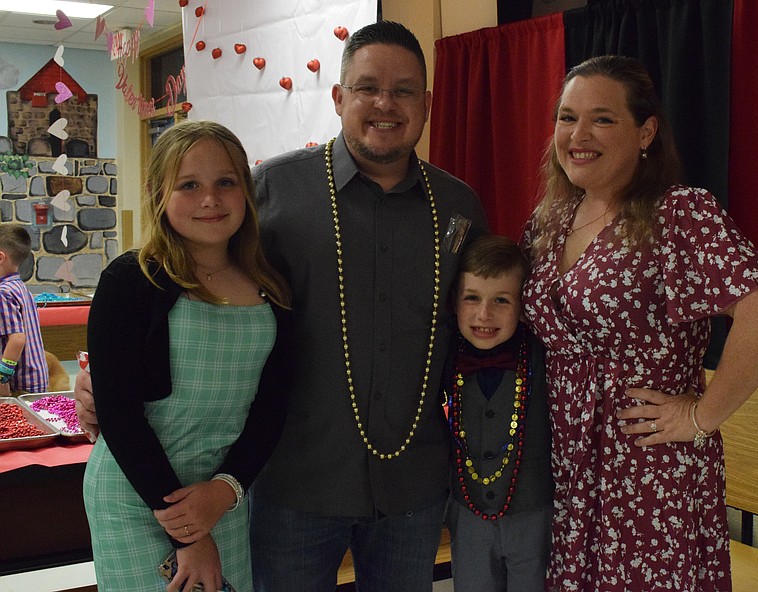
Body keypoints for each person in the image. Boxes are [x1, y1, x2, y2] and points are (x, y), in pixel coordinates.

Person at [75, 21, 488, 592]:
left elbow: (485, 329)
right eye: (367, 87)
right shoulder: (272, 190)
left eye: (404, 90)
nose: (384, 104)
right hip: (292, 486)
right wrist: (104, 383)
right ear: (340, 97)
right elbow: (178, 275)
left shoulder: (460, 207)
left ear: (427, 103)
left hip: (412, 484)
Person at [521, 55, 758, 591]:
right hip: (568, 467)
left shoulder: (678, 214)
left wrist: (700, 416)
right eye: (566, 116)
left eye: (602, 118)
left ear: (646, 132)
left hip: (648, 471)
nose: (579, 134)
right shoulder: (550, 220)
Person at [82, 120, 293, 592]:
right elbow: (120, 416)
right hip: (139, 493)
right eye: (189, 185)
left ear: (246, 190)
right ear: (160, 194)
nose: (210, 200)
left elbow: (271, 408)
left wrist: (224, 492)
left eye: (225, 182)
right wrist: (187, 533)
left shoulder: (272, 288)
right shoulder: (131, 280)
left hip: (221, 496)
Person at [443, 234, 553, 592]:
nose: (484, 314)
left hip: (534, 513)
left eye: (501, 301)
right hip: (467, 514)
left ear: (523, 306)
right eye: (471, 298)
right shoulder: (442, 355)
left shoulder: (545, 355)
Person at [0, 224, 48, 396]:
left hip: (20, 383)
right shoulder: (20, 287)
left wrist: (2, 377)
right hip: (37, 377)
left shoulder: (3, 292)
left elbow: (17, 339)